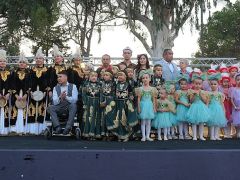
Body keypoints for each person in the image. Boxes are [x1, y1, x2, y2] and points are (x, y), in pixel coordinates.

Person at [105, 70, 138, 142]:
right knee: (118, 119)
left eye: (121, 75)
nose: (120, 76)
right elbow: (112, 94)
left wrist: (131, 98)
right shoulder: (115, 84)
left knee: (125, 119)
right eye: (118, 75)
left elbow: (131, 93)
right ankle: (120, 135)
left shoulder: (128, 84)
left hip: (125, 105)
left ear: (125, 76)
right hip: (117, 105)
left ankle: (126, 135)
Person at [47, 70, 78, 135]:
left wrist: (66, 97)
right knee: (50, 107)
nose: (58, 79)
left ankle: (68, 127)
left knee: (74, 105)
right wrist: (60, 97)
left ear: (66, 77)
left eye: (60, 77)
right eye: (58, 77)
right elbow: (55, 102)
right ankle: (57, 127)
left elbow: (75, 100)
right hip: (59, 107)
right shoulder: (55, 88)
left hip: (68, 107)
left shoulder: (73, 86)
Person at [29, 48, 49, 134]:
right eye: (37, 58)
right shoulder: (31, 70)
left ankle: (42, 129)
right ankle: (32, 130)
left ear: (43, 60)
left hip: (43, 93)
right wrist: (30, 91)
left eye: (40, 58)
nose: (38, 60)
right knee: (32, 109)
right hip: (33, 93)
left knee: (42, 108)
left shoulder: (47, 70)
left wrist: (45, 91)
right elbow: (29, 81)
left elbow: (48, 81)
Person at [11, 52, 31, 134]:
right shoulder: (14, 73)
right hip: (16, 95)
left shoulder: (29, 73)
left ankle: (24, 129)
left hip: (26, 95)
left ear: (26, 64)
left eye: (23, 62)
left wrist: (26, 94)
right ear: (18, 64)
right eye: (20, 62)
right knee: (16, 111)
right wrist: (16, 95)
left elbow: (30, 84)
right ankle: (16, 129)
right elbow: (12, 84)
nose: (22, 64)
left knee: (25, 112)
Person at [135, 70, 157, 142]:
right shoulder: (140, 89)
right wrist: (138, 107)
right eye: (143, 78)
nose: (145, 79)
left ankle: (148, 136)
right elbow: (138, 99)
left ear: (150, 79)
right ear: (141, 79)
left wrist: (154, 108)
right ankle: (143, 136)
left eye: (146, 78)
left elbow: (153, 99)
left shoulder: (152, 89)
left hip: (149, 106)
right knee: (143, 122)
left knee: (149, 122)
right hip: (143, 105)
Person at [186, 74, 210, 141]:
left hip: (201, 107)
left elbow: (205, 101)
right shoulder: (191, 91)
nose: (197, 85)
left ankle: (201, 135)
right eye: (196, 84)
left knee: (201, 123)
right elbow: (191, 101)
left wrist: (200, 94)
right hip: (194, 107)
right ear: (193, 84)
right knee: (194, 122)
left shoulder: (203, 92)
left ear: (201, 84)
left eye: (199, 84)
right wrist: (194, 95)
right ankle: (194, 136)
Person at [82, 71, 101, 139]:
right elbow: (83, 95)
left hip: (97, 103)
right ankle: (87, 133)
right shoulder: (86, 84)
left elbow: (101, 94)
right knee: (88, 117)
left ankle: (96, 133)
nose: (94, 77)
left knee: (96, 118)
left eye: (95, 76)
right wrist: (85, 103)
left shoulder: (100, 85)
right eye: (92, 76)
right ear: (89, 77)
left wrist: (101, 102)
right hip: (89, 102)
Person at [207, 73, 227, 140]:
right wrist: (206, 109)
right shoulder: (209, 93)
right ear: (210, 85)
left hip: (218, 109)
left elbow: (221, 103)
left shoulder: (220, 94)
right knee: (212, 123)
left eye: (215, 84)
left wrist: (223, 110)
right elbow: (208, 102)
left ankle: (216, 135)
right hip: (211, 108)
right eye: (212, 84)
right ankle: (212, 136)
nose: (213, 85)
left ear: (218, 85)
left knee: (217, 123)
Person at [175, 75, 191, 140]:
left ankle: (186, 134)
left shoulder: (189, 91)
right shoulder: (178, 92)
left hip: (187, 108)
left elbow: (190, 99)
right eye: (181, 84)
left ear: (187, 84)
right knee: (180, 122)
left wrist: (189, 103)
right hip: (181, 107)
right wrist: (184, 103)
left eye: (185, 84)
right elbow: (176, 100)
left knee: (186, 122)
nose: (183, 85)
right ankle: (181, 134)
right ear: (179, 85)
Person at [99, 70, 115, 139]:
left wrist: (109, 101)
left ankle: (110, 133)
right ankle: (103, 133)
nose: (105, 76)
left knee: (110, 117)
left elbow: (114, 94)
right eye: (104, 75)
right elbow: (101, 93)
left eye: (107, 75)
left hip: (110, 103)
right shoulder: (101, 84)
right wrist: (101, 101)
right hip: (103, 102)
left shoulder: (113, 84)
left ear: (111, 77)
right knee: (103, 118)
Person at [0, 49, 12, 135]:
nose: (2, 62)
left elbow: (12, 85)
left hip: (6, 96)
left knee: (5, 112)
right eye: (0, 61)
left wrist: (8, 93)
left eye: (4, 61)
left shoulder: (10, 73)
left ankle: (4, 130)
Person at [219, 73, 232, 138]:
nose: (226, 83)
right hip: (223, 105)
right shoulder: (220, 89)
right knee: (224, 119)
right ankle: (225, 133)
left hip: (229, 105)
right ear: (221, 82)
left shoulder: (231, 88)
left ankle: (229, 133)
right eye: (224, 82)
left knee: (229, 119)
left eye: (227, 82)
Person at [230, 73, 240, 138]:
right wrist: (235, 106)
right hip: (236, 108)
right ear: (235, 80)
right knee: (237, 120)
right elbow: (231, 99)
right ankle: (237, 132)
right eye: (238, 80)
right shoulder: (233, 89)